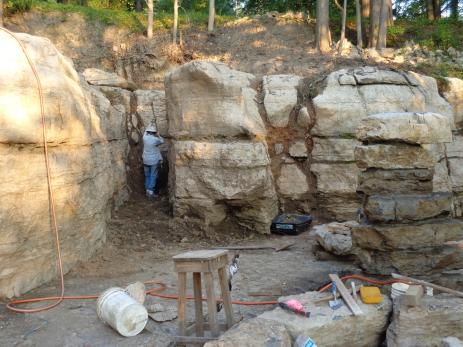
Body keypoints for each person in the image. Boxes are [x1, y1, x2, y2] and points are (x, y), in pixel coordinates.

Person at [142, 124, 164, 199]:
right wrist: (158, 135)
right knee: (153, 176)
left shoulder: (144, 137)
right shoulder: (156, 140)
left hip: (145, 160)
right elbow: (162, 141)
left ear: (148, 131)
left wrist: (149, 124)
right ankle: (150, 192)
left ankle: (147, 191)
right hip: (153, 161)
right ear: (154, 132)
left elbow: (145, 131)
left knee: (147, 175)